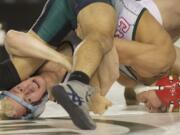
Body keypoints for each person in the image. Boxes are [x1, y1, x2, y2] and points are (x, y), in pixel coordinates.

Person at [0, 0, 175, 128]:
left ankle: (83, 80)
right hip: (107, 28)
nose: (27, 90)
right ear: (39, 106)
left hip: (83, 15)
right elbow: (110, 68)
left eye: (18, 90)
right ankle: (146, 85)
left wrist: (67, 62)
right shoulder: (64, 96)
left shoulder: (31, 67)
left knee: (161, 56)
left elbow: (12, 38)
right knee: (156, 64)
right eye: (28, 99)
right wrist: (97, 91)